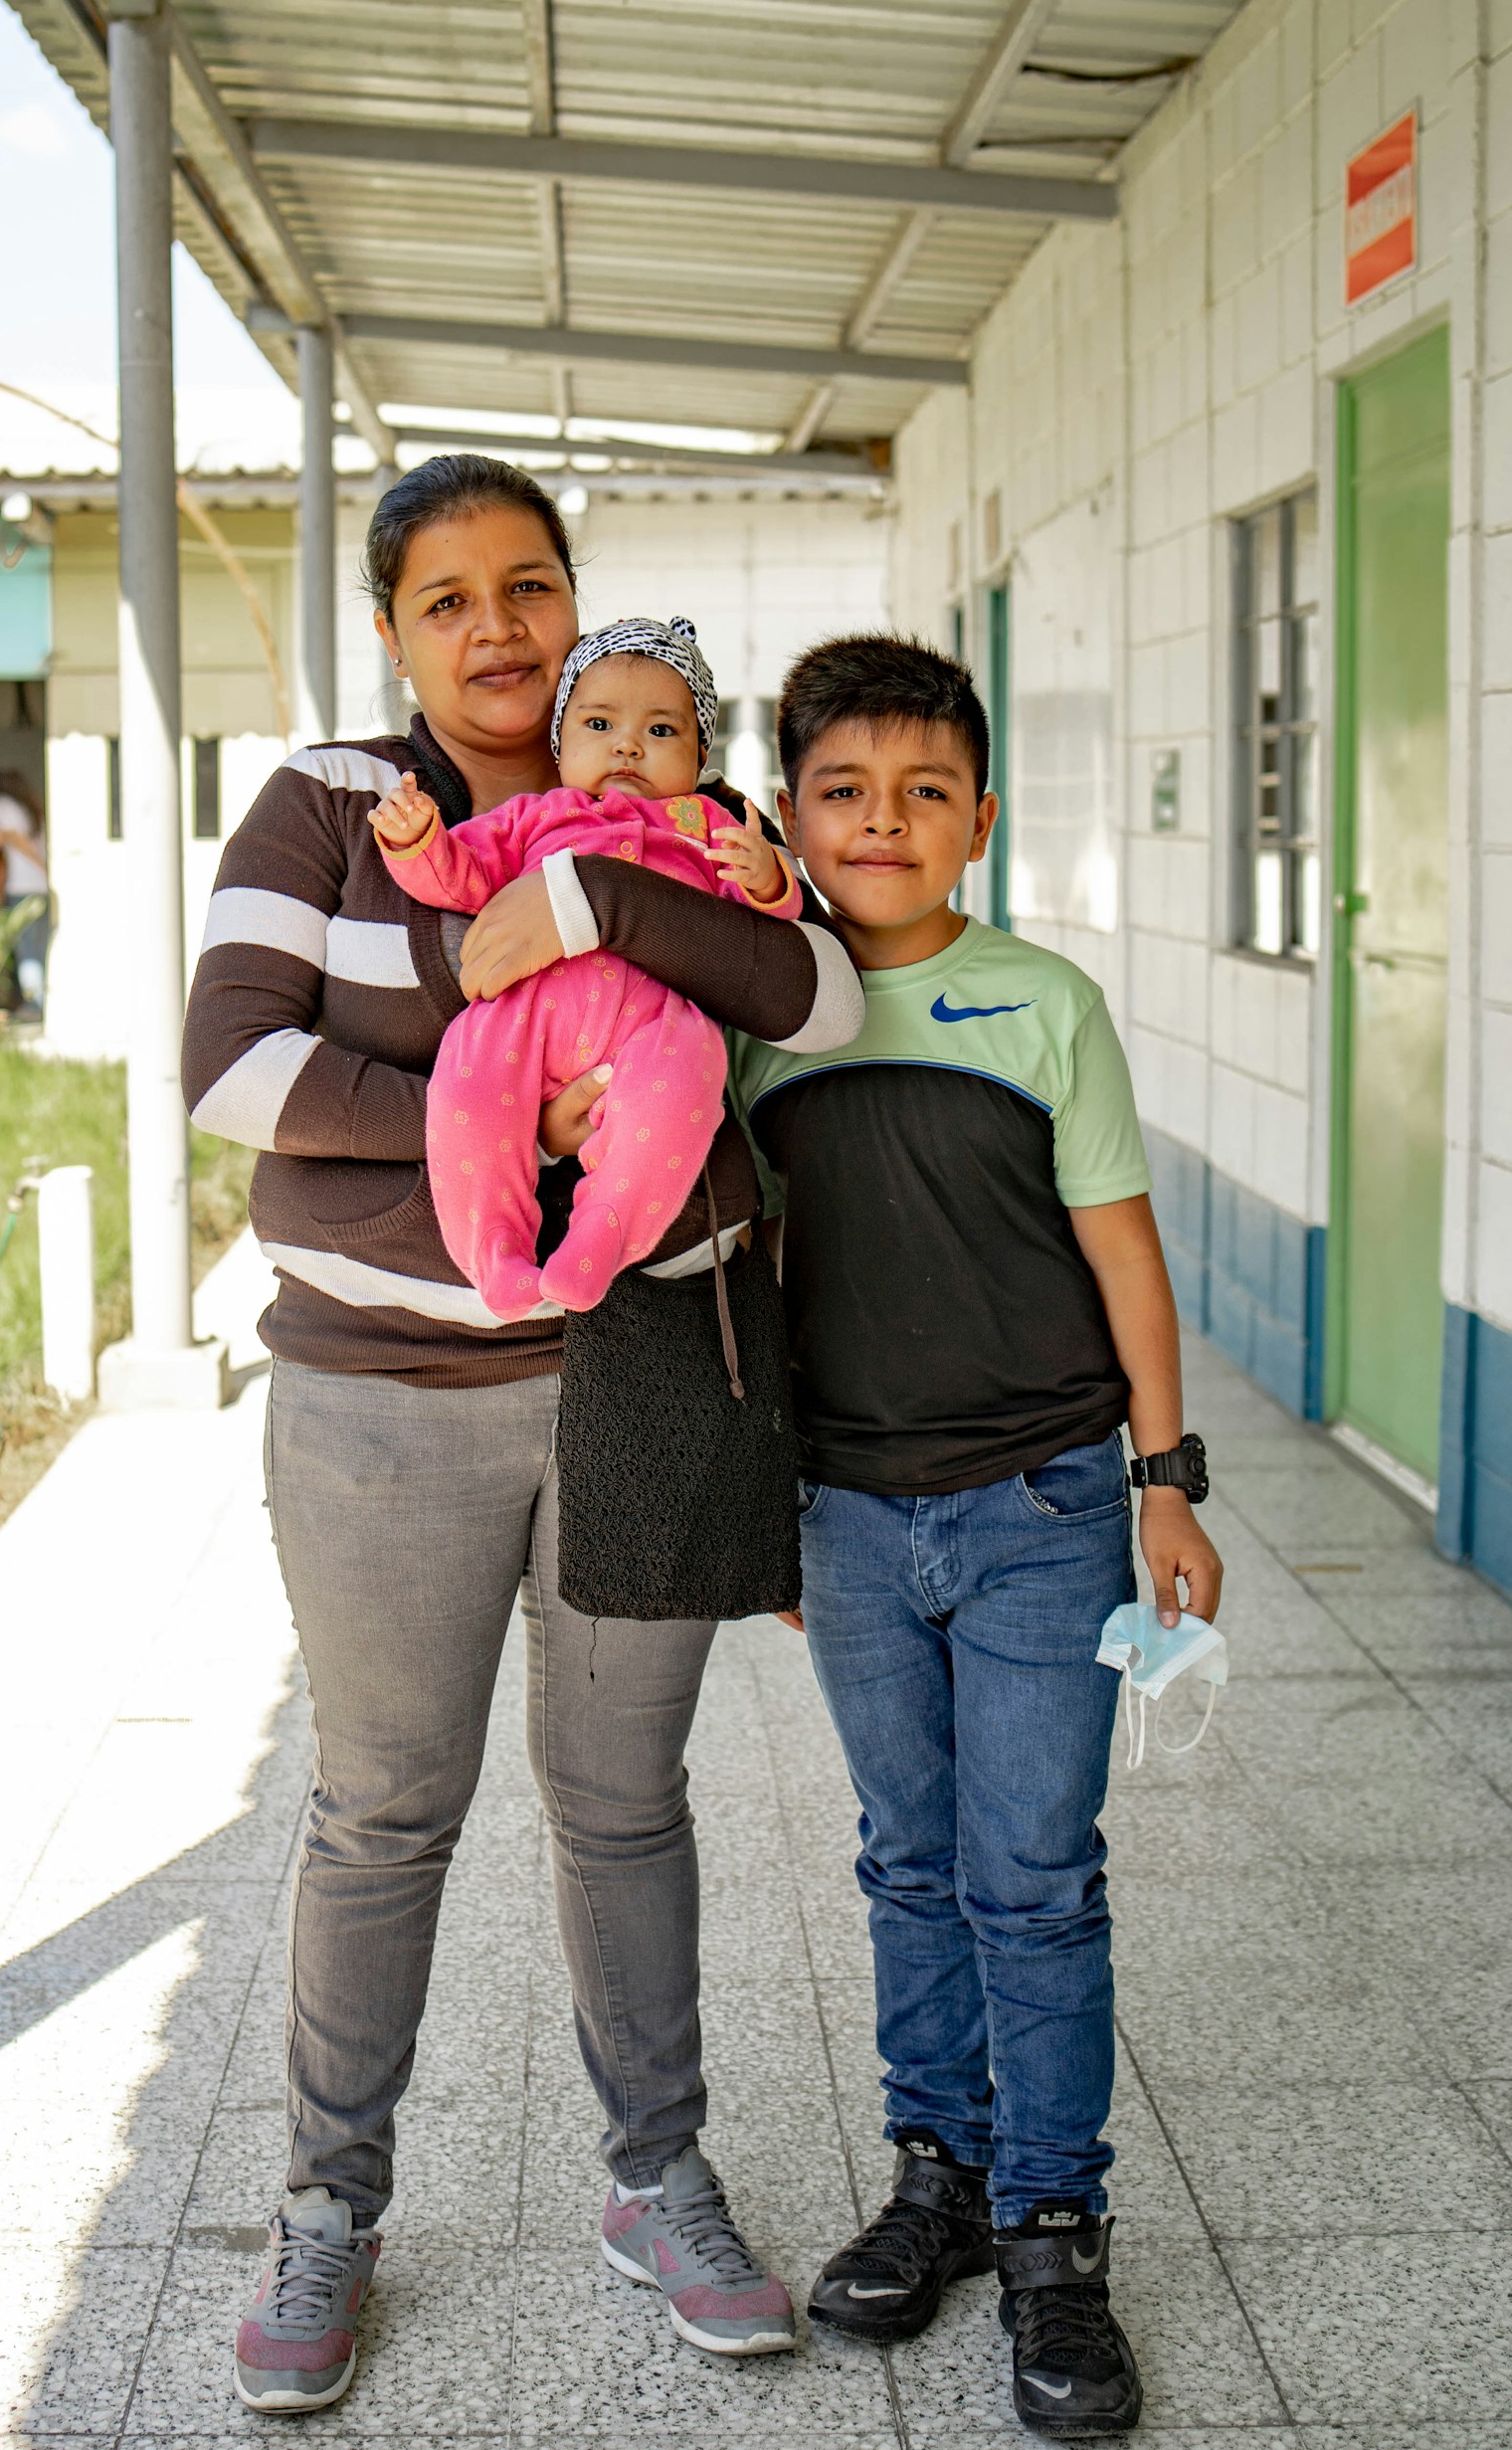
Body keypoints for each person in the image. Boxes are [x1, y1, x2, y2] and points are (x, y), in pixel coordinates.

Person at [180, 455, 863, 2415]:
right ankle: (329, 2209)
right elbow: (232, 1070)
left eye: (531, 587)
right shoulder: (330, 807)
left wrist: (583, 884)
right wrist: (504, 1124)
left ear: (582, 605)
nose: (499, 630)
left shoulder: (677, 792)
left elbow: (807, 990)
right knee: (384, 1808)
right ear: (393, 633)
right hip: (382, 1408)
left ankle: (657, 2177)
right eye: (450, 599)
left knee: (626, 1803)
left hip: (640, 1389)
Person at [728, 634, 1224, 2441]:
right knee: (908, 1864)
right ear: (791, 815)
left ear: (981, 821)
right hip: (849, 1517)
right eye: (844, 791)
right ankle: (935, 2178)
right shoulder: (765, 1012)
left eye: (924, 790)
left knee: (1034, 1875)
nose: (883, 820)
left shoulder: (1045, 1004)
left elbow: (1124, 1254)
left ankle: (1052, 2224)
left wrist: (1167, 1477)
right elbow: (752, 1274)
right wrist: (763, 1508)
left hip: (1043, 1511)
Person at [369, 613, 801, 1316]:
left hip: (653, 1025)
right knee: (466, 1091)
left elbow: (768, 926)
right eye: (599, 725)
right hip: (525, 1015)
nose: (628, 744)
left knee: (691, 1076)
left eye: (661, 731)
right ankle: (497, 1253)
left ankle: (602, 1238)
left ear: (698, 758)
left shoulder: (704, 824)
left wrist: (767, 876)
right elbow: (461, 876)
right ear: (560, 743)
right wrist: (417, 840)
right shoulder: (535, 816)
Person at [0, 761, 50, 1011]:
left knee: (26, 952)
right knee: (38, 950)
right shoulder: (30, 809)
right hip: (40, 888)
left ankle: (34, 1007)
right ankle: (39, 1004)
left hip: (22, 888)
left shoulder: (1, 806)